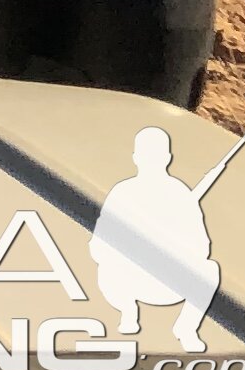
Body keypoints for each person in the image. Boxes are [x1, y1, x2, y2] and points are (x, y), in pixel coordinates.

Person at [93, 125, 225, 352]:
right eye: (147, 154)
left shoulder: (180, 194)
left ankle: (186, 328)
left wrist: (173, 244)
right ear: (136, 157)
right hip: (125, 279)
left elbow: (202, 247)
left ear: (167, 158)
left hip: (167, 282)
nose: (150, 160)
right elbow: (98, 244)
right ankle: (128, 312)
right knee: (107, 265)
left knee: (210, 270)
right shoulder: (123, 191)